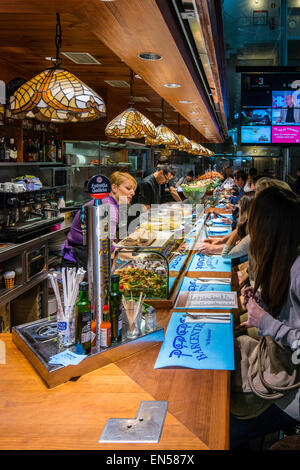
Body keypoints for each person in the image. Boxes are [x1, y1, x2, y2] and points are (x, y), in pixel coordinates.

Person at [230, 186, 300, 449]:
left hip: (291, 390)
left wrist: (267, 323)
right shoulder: (285, 258)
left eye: (254, 221)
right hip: (278, 366)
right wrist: (262, 305)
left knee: (226, 431)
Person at [61, 171, 137, 268]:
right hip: (78, 260)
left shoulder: (107, 201)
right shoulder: (110, 209)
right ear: (114, 188)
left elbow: (106, 240)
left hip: (82, 254)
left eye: (133, 189)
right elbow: (107, 246)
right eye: (128, 188)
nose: (133, 193)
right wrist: (136, 258)